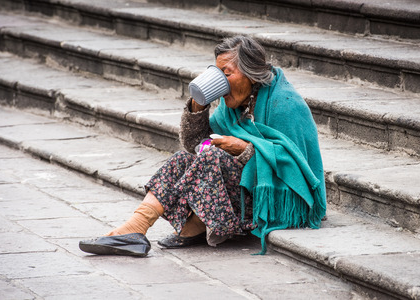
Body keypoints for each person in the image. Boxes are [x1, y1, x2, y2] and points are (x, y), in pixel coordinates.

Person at [79, 35, 327, 257]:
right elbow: (193, 145)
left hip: (279, 201)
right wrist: (198, 104)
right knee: (183, 160)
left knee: (213, 159)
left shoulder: (284, 104)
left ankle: (192, 225)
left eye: (226, 73)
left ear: (251, 74)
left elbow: (297, 168)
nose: (221, 81)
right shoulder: (233, 109)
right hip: (245, 192)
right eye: (216, 73)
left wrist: (245, 149)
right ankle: (135, 229)